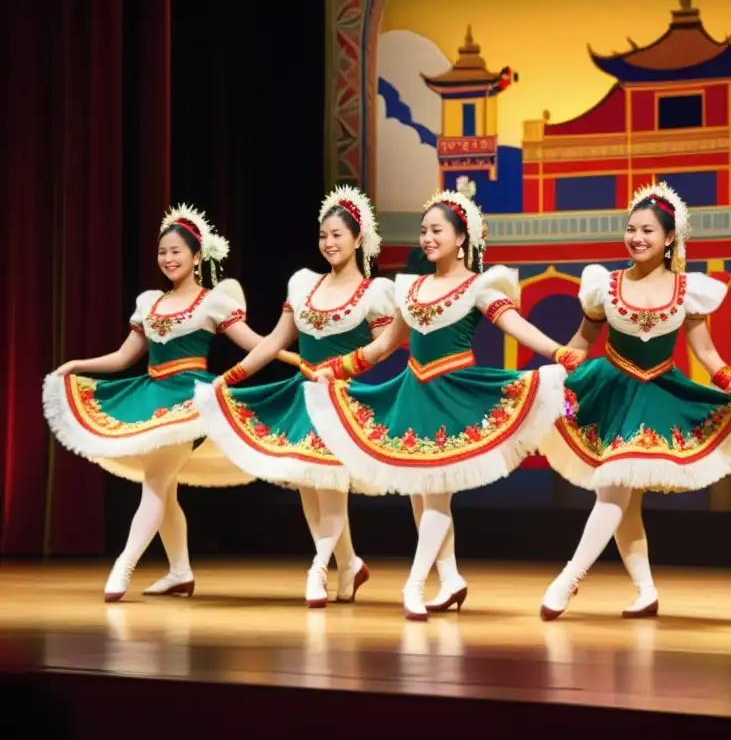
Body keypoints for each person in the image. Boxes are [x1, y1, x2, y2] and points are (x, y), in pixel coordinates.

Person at [304, 184, 584, 620]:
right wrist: (335, 369)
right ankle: (450, 578)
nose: (428, 238)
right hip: (415, 395)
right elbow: (380, 349)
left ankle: (415, 584)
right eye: (423, 231)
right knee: (422, 495)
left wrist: (557, 352)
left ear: (461, 237)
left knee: (434, 498)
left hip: (455, 397)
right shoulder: (411, 289)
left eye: (437, 230)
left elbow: (516, 326)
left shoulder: (479, 286)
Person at [537, 182, 731, 620]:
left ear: (670, 238)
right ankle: (645, 590)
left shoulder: (688, 290)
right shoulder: (605, 286)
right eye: (631, 229)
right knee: (622, 497)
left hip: (657, 397)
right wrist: (551, 378)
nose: (637, 237)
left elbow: (706, 352)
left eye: (648, 231)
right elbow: (581, 342)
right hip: (610, 391)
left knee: (614, 490)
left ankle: (568, 578)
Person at [43, 205, 273, 602]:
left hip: (189, 402)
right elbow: (122, 357)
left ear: (197, 256)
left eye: (176, 252)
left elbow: (256, 345)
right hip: (153, 395)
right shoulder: (149, 302)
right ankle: (180, 572)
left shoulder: (213, 302)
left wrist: (294, 345)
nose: (168, 258)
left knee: (155, 482)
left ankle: (124, 566)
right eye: (162, 251)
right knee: (164, 490)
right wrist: (78, 365)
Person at [194, 185, 392, 607]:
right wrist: (230, 376)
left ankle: (318, 567)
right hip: (305, 401)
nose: (329, 243)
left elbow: (383, 348)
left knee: (333, 488)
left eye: (338, 235)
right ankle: (351, 564)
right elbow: (272, 343)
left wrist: (341, 369)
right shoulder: (303, 285)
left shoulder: (376, 294)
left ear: (358, 239)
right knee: (310, 488)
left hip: (344, 401)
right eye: (324, 235)